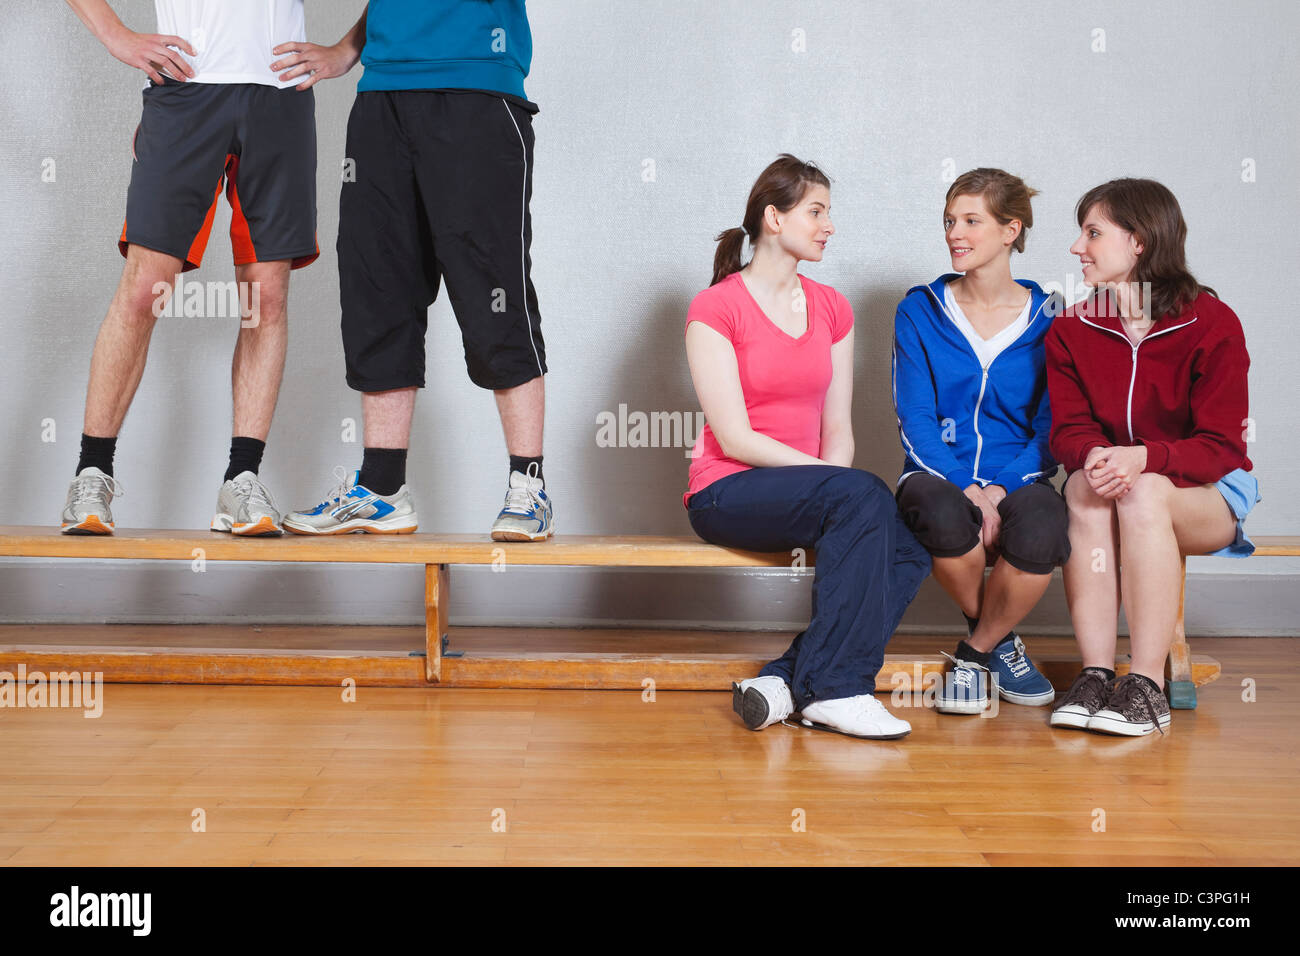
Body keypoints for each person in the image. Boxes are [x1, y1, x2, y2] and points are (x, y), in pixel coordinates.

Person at [278, 0, 552, 540]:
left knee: (493, 292)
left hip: (477, 91)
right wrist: (348, 50)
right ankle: (382, 488)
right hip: (382, 97)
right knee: (376, 290)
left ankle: (529, 485)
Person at [684, 154, 931, 740]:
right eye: (816, 211)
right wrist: (834, 483)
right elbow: (737, 437)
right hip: (725, 491)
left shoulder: (831, 307)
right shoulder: (716, 306)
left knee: (911, 544)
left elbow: (837, 427)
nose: (829, 225)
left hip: (808, 486)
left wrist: (833, 484)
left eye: (828, 213)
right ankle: (841, 688)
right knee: (863, 496)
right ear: (774, 217)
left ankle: (788, 681)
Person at [60, 0, 319, 536]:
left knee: (264, 298)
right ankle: (93, 471)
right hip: (187, 89)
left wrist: (345, 51)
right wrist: (114, 34)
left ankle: (241, 480)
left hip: (280, 95)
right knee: (144, 288)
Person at [1046, 178, 1258, 736]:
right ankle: (1095, 674)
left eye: (1092, 233)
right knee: (1081, 487)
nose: (1076, 248)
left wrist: (1144, 458)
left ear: (1138, 241)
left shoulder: (1211, 323)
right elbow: (1067, 428)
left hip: (1207, 493)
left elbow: (1222, 446)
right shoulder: (1071, 327)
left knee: (1142, 491)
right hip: (1120, 483)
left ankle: (1146, 686)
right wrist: (1094, 455)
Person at [891, 169, 1068, 715]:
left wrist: (1000, 486)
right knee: (942, 515)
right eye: (949, 221)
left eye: (971, 221)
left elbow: (1051, 425)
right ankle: (1001, 641)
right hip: (936, 473)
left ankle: (973, 654)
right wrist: (967, 487)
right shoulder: (919, 309)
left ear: (1011, 229)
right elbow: (915, 417)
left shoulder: (1053, 315)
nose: (954, 234)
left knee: (1044, 525)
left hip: (1021, 473)